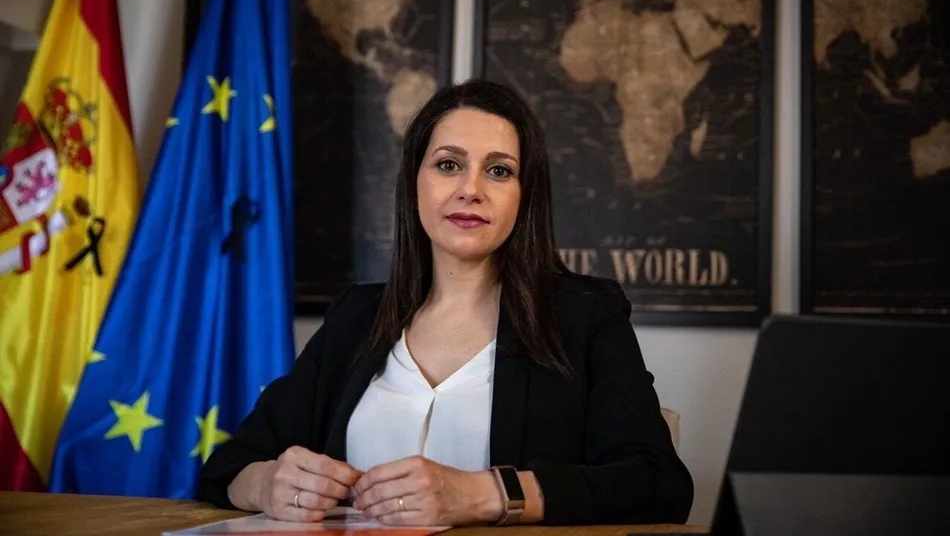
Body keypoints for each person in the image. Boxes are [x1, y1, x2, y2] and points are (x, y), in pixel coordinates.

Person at [196, 79, 693, 526]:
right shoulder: (356, 315)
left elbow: (657, 484)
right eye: (448, 164)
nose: (470, 190)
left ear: (525, 196)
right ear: (415, 182)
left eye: (499, 171)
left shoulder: (586, 314)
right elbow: (228, 467)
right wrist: (268, 483)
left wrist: (485, 493)